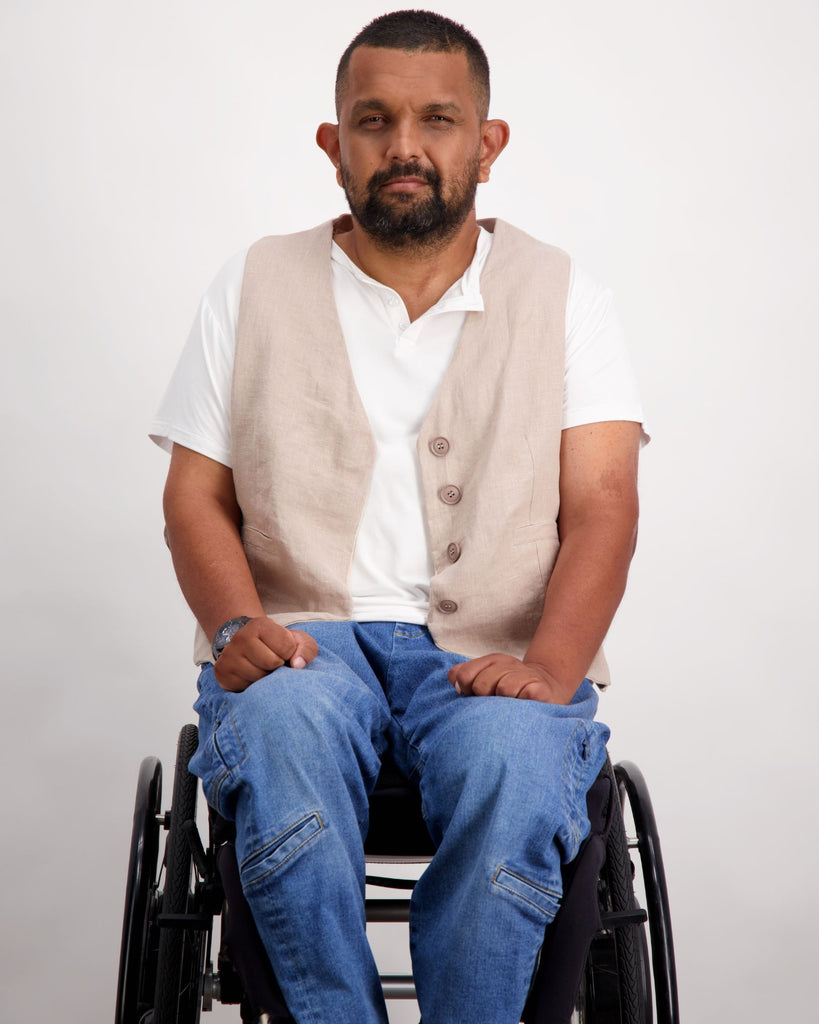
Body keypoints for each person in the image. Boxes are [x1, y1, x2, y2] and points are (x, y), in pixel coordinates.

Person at [150, 10, 646, 1024]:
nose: (405, 146)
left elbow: (603, 504)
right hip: (303, 645)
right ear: (335, 145)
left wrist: (551, 667)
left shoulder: (565, 297)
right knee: (282, 726)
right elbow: (194, 495)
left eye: (438, 120)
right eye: (373, 121)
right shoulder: (252, 285)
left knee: (514, 755)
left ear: (487, 143)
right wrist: (240, 627)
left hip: (495, 654)